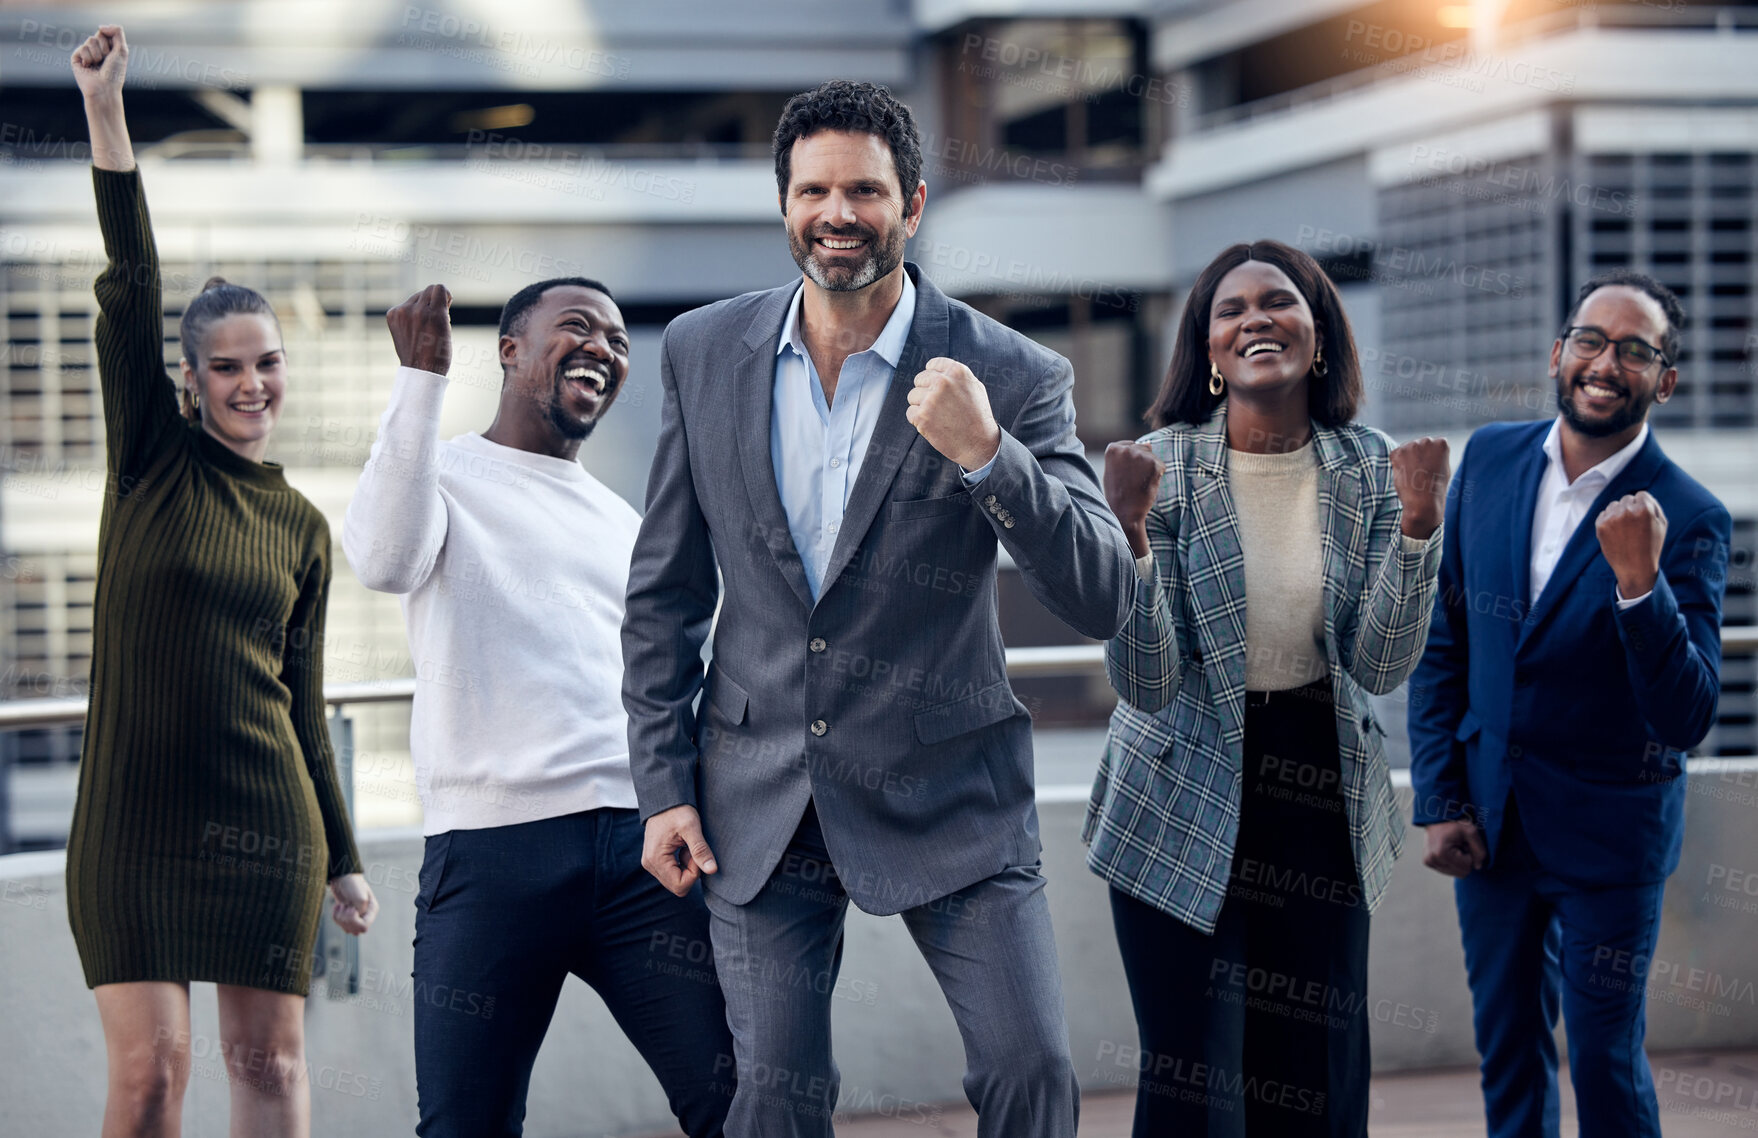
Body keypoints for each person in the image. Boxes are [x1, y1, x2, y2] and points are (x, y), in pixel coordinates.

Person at [622, 79, 1136, 1137]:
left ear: (914, 203)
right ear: (784, 204)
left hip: (952, 792)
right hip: (759, 797)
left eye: (865, 189)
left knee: (1029, 1066)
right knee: (774, 1094)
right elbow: (666, 591)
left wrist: (990, 455)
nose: (838, 213)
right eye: (814, 190)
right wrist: (665, 787)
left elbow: (1099, 591)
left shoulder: (1012, 371)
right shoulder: (705, 352)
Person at [63, 25, 378, 1138]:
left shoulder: (299, 524)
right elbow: (130, 279)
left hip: (267, 823)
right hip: (131, 831)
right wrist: (108, 111)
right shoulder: (148, 456)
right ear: (189, 382)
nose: (252, 383)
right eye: (227, 366)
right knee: (152, 1078)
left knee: (272, 1069)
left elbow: (303, 699)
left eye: (267, 361)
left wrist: (340, 858)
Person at [342, 279, 734, 1137]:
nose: (604, 346)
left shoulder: (618, 519)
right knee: (464, 1125)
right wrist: (420, 381)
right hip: (491, 858)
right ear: (511, 350)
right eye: (578, 327)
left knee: (734, 1100)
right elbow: (384, 559)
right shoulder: (437, 469)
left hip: (640, 851)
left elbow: (666, 677)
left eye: (620, 339)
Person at [1086, 239, 1449, 1137]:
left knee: (1315, 1083)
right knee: (1194, 1090)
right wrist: (1128, 532)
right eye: (1231, 309)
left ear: (1317, 334)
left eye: (1279, 302)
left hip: (1320, 791)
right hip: (1180, 787)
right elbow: (1147, 678)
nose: (1256, 319)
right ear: (1208, 352)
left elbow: (1378, 666)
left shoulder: (1370, 467)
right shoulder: (1158, 467)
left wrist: (1419, 528)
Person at [1408, 270, 1731, 1138]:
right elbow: (1446, 646)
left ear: (1664, 379)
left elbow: (1687, 715)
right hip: (1492, 823)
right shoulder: (1493, 458)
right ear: (1559, 353)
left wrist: (1641, 589)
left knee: (1603, 1058)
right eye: (1591, 339)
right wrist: (1440, 800)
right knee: (1508, 1050)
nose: (1605, 361)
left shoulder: (1692, 516)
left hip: (1611, 839)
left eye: (1636, 350)